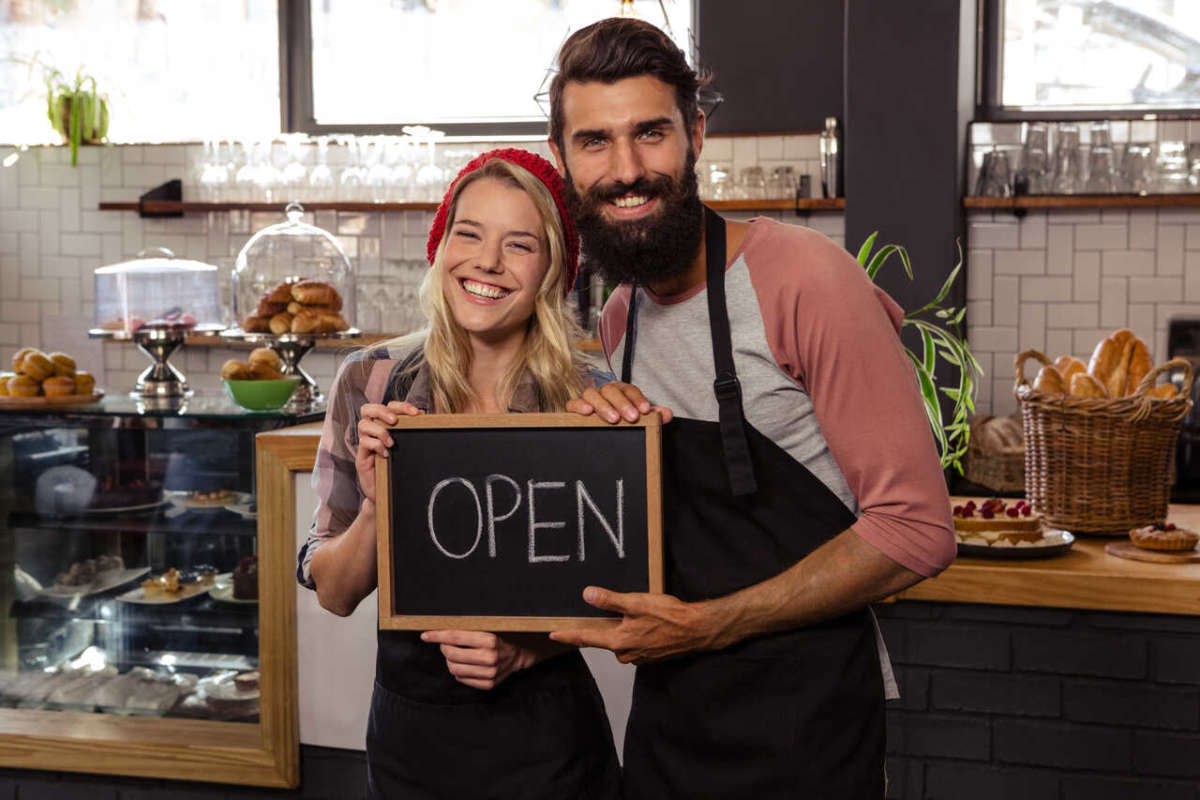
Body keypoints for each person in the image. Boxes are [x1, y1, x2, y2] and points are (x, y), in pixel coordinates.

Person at [544, 18, 956, 799]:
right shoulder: (620, 317)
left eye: (651, 134)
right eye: (595, 142)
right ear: (564, 158)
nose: (627, 170)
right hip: (670, 726)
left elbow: (918, 531)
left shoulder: (804, 280)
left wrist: (707, 626)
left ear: (696, 134)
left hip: (808, 731)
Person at [296, 148, 622, 800]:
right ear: (440, 247)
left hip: (550, 745)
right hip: (410, 744)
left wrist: (529, 651)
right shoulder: (372, 378)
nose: (487, 262)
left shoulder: (589, 397)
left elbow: (630, 600)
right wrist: (375, 504)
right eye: (468, 234)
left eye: (519, 245)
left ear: (554, 271)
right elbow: (333, 592)